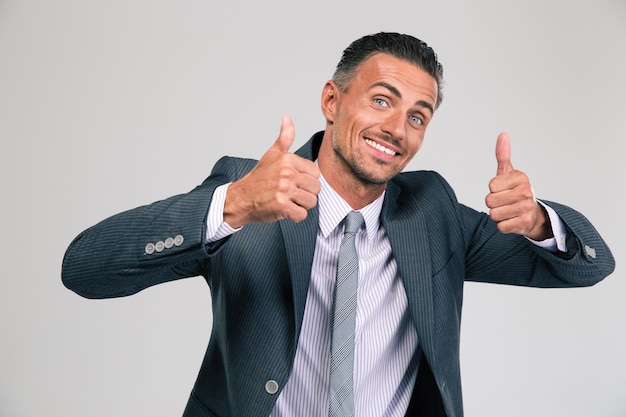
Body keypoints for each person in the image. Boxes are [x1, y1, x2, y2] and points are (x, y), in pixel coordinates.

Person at [62, 32, 615, 417]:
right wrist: (231, 206)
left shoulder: (433, 213)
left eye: (417, 116)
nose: (398, 128)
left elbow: (592, 266)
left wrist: (541, 220)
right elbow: (85, 269)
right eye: (382, 100)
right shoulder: (250, 192)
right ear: (332, 100)